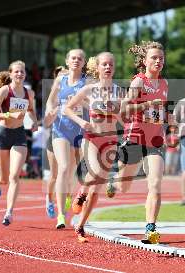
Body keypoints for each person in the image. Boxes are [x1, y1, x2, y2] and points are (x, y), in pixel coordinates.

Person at [107, 41, 170, 244]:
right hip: (134, 137)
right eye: (154, 58)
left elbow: (161, 113)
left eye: (161, 58)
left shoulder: (165, 84)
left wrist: (170, 121)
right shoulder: (138, 82)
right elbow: (124, 110)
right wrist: (149, 104)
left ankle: (150, 229)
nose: (158, 61)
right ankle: (113, 180)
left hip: (156, 140)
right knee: (124, 185)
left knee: (155, 184)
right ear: (145, 61)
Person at [65, 51, 121, 242]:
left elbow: (124, 116)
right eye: (104, 64)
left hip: (110, 140)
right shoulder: (89, 90)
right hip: (92, 138)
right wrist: (81, 123)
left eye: (111, 64)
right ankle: (82, 192)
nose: (107, 67)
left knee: (96, 189)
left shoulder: (119, 91)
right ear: (97, 68)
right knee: (96, 175)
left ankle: (81, 225)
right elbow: (67, 109)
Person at [0, 60, 38, 226]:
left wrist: (35, 122)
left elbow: (31, 109)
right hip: (2, 134)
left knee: (14, 175)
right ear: (10, 74)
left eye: (22, 72)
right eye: (16, 71)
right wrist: (9, 115)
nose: (19, 74)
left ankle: (9, 213)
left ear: (25, 74)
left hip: (19, 135)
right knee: (3, 179)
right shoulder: (4, 90)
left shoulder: (28, 92)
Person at [45, 49, 88, 229]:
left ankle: (73, 201)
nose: (76, 61)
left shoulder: (88, 83)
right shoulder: (60, 80)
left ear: (84, 63)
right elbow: (50, 100)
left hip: (79, 131)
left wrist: (81, 103)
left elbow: (94, 105)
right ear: (67, 61)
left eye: (79, 58)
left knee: (74, 173)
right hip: (60, 130)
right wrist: (50, 110)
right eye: (73, 58)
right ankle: (61, 215)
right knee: (63, 168)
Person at [43, 66, 68, 219]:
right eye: (61, 76)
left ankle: (66, 199)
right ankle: (49, 199)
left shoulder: (75, 95)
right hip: (55, 137)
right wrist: (54, 112)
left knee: (69, 173)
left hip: (72, 138)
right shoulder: (53, 98)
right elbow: (46, 121)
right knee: (55, 174)